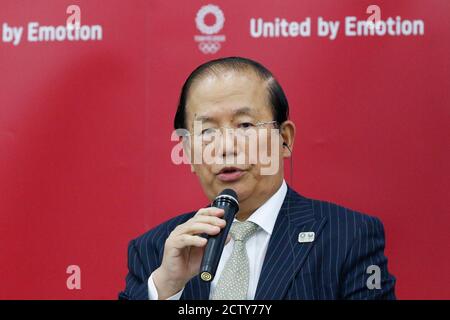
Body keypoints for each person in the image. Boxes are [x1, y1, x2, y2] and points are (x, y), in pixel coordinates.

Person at [119, 56, 396, 300]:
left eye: (245, 125)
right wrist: (166, 288)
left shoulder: (348, 237)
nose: (227, 147)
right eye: (207, 132)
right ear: (189, 153)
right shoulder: (155, 251)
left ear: (284, 139)